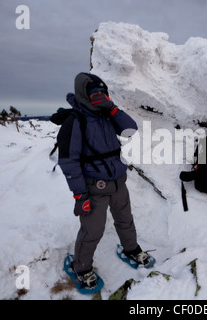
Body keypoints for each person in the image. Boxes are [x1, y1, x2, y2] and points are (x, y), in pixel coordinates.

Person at [57, 72, 152, 291]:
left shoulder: (108, 113)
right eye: (94, 93)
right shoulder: (75, 121)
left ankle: (131, 249)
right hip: (94, 187)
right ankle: (81, 268)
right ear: (84, 95)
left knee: (125, 219)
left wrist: (112, 108)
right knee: (93, 230)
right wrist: (80, 195)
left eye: (102, 92)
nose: (99, 96)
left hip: (118, 182)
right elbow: (68, 162)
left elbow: (130, 130)